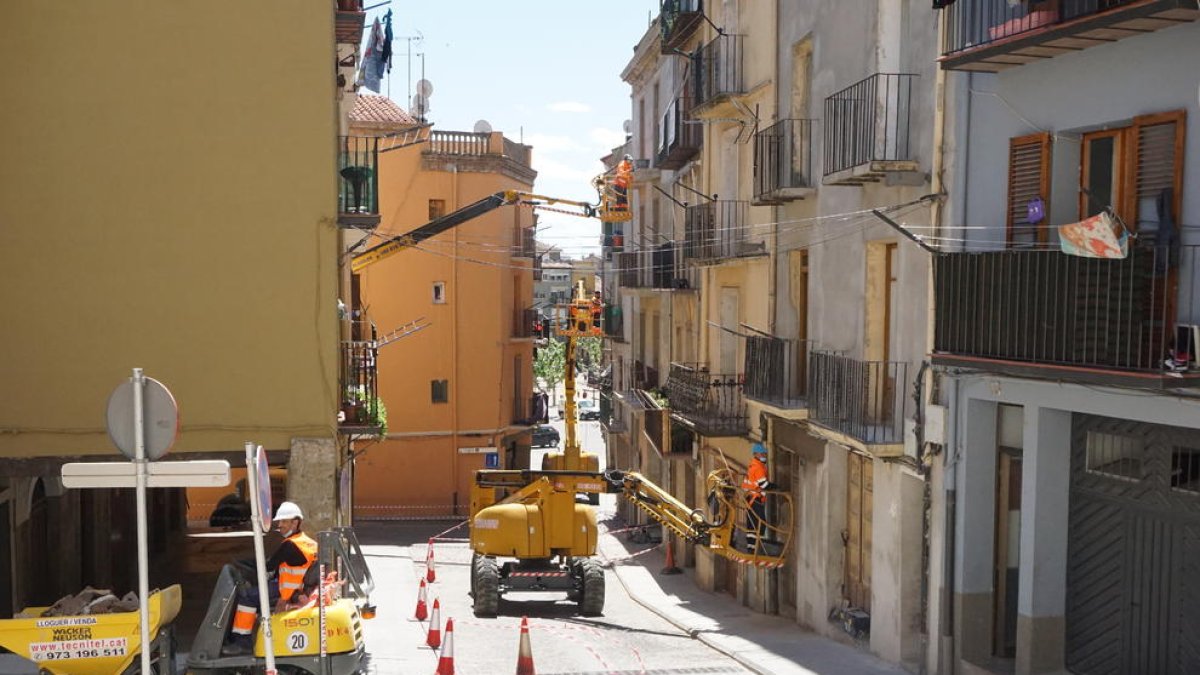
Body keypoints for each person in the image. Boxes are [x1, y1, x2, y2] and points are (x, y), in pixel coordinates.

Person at [225, 501, 319, 654]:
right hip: (298, 588)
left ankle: (242, 642)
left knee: (247, 597)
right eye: (279, 521)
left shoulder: (290, 545)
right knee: (256, 593)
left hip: (288, 591)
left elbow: (268, 565)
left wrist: (243, 563)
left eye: (283, 521)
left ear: (295, 523)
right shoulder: (308, 542)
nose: (279, 525)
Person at [741, 444, 775, 553]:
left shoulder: (754, 465)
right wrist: (776, 487)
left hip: (751, 499)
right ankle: (756, 547)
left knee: (753, 524)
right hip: (755, 499)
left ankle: (751, 548)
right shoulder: (758, 467)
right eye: (762, 454)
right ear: (756, 454)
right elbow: (763, 484)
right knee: (761, 524)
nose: (764, 455)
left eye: (765, 453)